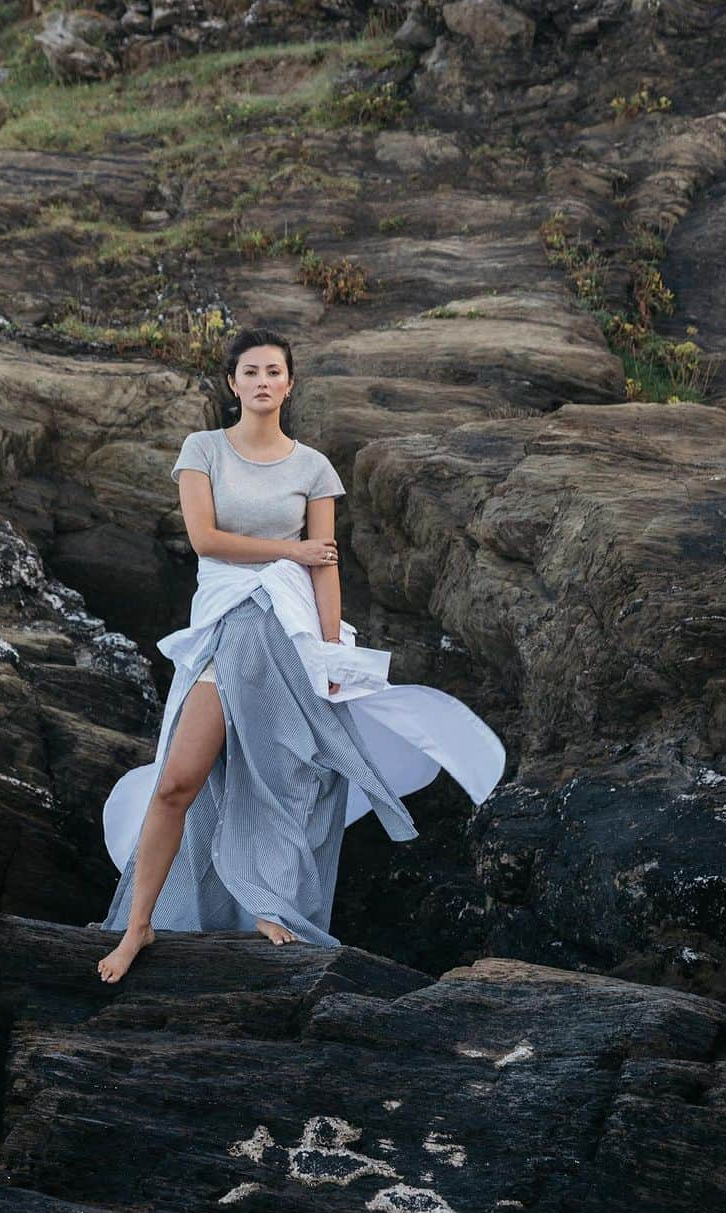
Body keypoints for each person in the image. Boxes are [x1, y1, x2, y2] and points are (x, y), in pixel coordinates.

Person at [96, 327, 506, 983]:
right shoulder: (202, 450)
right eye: (250, 371)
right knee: (178, 782)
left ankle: (268, 904)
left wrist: (328, 652)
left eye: (274, 372)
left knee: (286, 781)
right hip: (224, 626)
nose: (262, 381)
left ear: (289, 383)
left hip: (286, 630)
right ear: (233, 384)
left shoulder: (314, 466)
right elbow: (205, 540)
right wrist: (290, 550)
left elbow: (327, 569)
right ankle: (140, 924)